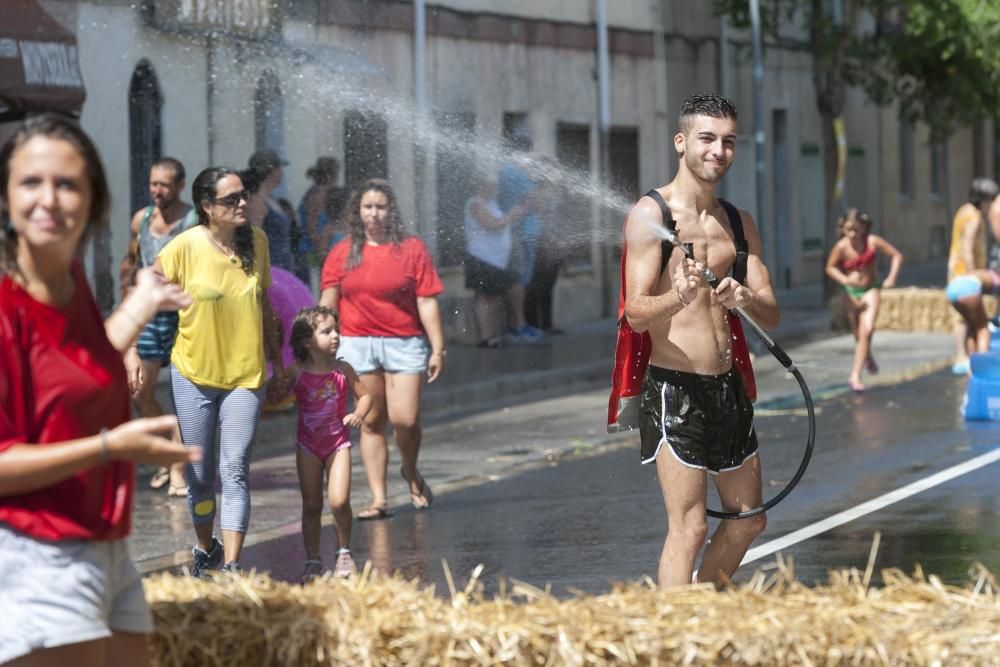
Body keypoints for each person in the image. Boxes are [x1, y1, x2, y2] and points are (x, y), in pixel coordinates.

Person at [0, 114, 196, 666]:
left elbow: (76, 370)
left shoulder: (69, 281)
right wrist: (112, 448)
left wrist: (139, 305)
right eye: (30, 183)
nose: (49, 200)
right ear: (6, 197)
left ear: (93, 201)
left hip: (104, 545)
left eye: (67, 184)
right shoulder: (5, 305)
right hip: (35, 551)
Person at [623, 94, 779, 588]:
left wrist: (744, 296)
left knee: (749, 519)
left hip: (727, 389)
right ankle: (675, 645)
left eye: (728, 141)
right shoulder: (652, 215)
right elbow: (634, 313)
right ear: (681, 141)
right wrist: (678, 297)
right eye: (707, 138)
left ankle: (703, 620)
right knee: (689, 528)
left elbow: (772, 314)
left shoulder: (738, 222)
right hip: (676, 390)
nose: (718, 151)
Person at [154, 166, 283, 576]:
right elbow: (146, 294)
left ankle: (232, 563)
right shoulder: (185, 246)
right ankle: (204, 545)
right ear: (207, 207)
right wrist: (133, 355)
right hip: (193, 374)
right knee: (200, 476)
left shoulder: (257, 242)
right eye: (231, 199)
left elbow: (263, 307)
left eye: (243, 195)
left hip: (245, 377)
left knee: (235, 469)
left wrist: (278, 361)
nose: (242, 203)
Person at [319, 178, 445, 521]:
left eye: (381, 207)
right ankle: (379, 498)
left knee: (405, 419)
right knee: (371, 420)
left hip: (404, 343)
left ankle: (410, 470)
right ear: (357, 212)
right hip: (357, 344)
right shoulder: (342, 252)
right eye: (368, 207)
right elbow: (329, 299)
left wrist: (437, 347)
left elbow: (427, 301)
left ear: (391, 211)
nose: (374, 214)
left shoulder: (412, 249)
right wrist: (320, 338)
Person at [268, 306, 372, 582]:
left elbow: (365, 396)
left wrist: (358, 414)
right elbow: (273, 398)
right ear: (306, 341)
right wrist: (273, 388)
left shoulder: (343, 369)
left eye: (336, 329)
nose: (335, 335)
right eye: (327, 332)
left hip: (338, 443)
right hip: (308, 446)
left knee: (339, 501)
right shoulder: (297, 372)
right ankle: (313, 559)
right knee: (312, 504)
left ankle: (344, 553)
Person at [119, 156, 197, 496]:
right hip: (149, 315)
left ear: (180, 186)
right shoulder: (143, 219)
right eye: (153, 183)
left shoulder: (193, 221)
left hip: (183, 315)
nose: (157, 191)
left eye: (164, 185)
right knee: (140, 390)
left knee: (183, 396)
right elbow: (130, 261)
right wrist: (128, 299)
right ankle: (171, 454)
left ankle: (178, 471)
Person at [824, 208, 903, 392]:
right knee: (858, 335)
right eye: (848, 230)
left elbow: (896, 255)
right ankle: (867, 355)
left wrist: (891, 278)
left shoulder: (872, 242)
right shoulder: (842, 247)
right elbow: (830, 267)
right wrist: (845, 279)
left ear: (863, 227)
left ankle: (855, 375)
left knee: (866, 330)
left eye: (856, 230)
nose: (852, 234)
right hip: (851, 292)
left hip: (870, 289)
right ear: (842, 229)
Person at [946, 178, 999, 374]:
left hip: (956, 270)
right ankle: (965, 358)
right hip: (966, 271)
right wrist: (973, 270)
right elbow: (968, 246)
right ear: (983, 199)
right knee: (975, 324)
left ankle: (965, 357)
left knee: (966, 320)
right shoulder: (975, 217)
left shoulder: (964, 210)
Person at [464, 180, 525, 347]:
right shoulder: (475, 203)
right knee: (486, 298)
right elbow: (491, 224)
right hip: (482, 258)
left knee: (511, 288)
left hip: (496, 260)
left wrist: (513, 216)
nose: (496, 189)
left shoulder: (490, 203)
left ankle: (515, 327)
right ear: (482, 186)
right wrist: (511, 216)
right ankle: (486, 338)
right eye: (493, 186)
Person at [497, 136, 545, 344]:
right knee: (519, 280)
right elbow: (534, 201)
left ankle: (514, 324)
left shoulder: (505, 172)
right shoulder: (520, 173)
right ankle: (519, 326)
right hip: (524, 233)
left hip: (513, 232)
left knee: (516, 279)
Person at [525, 157, 569, 335]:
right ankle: (534, 324)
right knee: (535, 286)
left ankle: (547, 324)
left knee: (548, 286)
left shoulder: (558, 193)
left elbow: (562, 219)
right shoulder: (534, 190)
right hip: (539, 245)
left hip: (555, 246)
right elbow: (539, 218)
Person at [245, 148, 294, 273]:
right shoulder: (256, 201)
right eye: (279, 169)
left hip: (280, 265)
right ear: (272, 172)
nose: (282, 173)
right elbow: (254, 236)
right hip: (270, 268)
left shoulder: (270, 199)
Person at [297, 156, 347, 277]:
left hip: (317, 247)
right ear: (332, 174)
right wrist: (321, 249)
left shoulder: (316, 191)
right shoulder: (319, 195)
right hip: (313, 250)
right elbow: (311, 226)